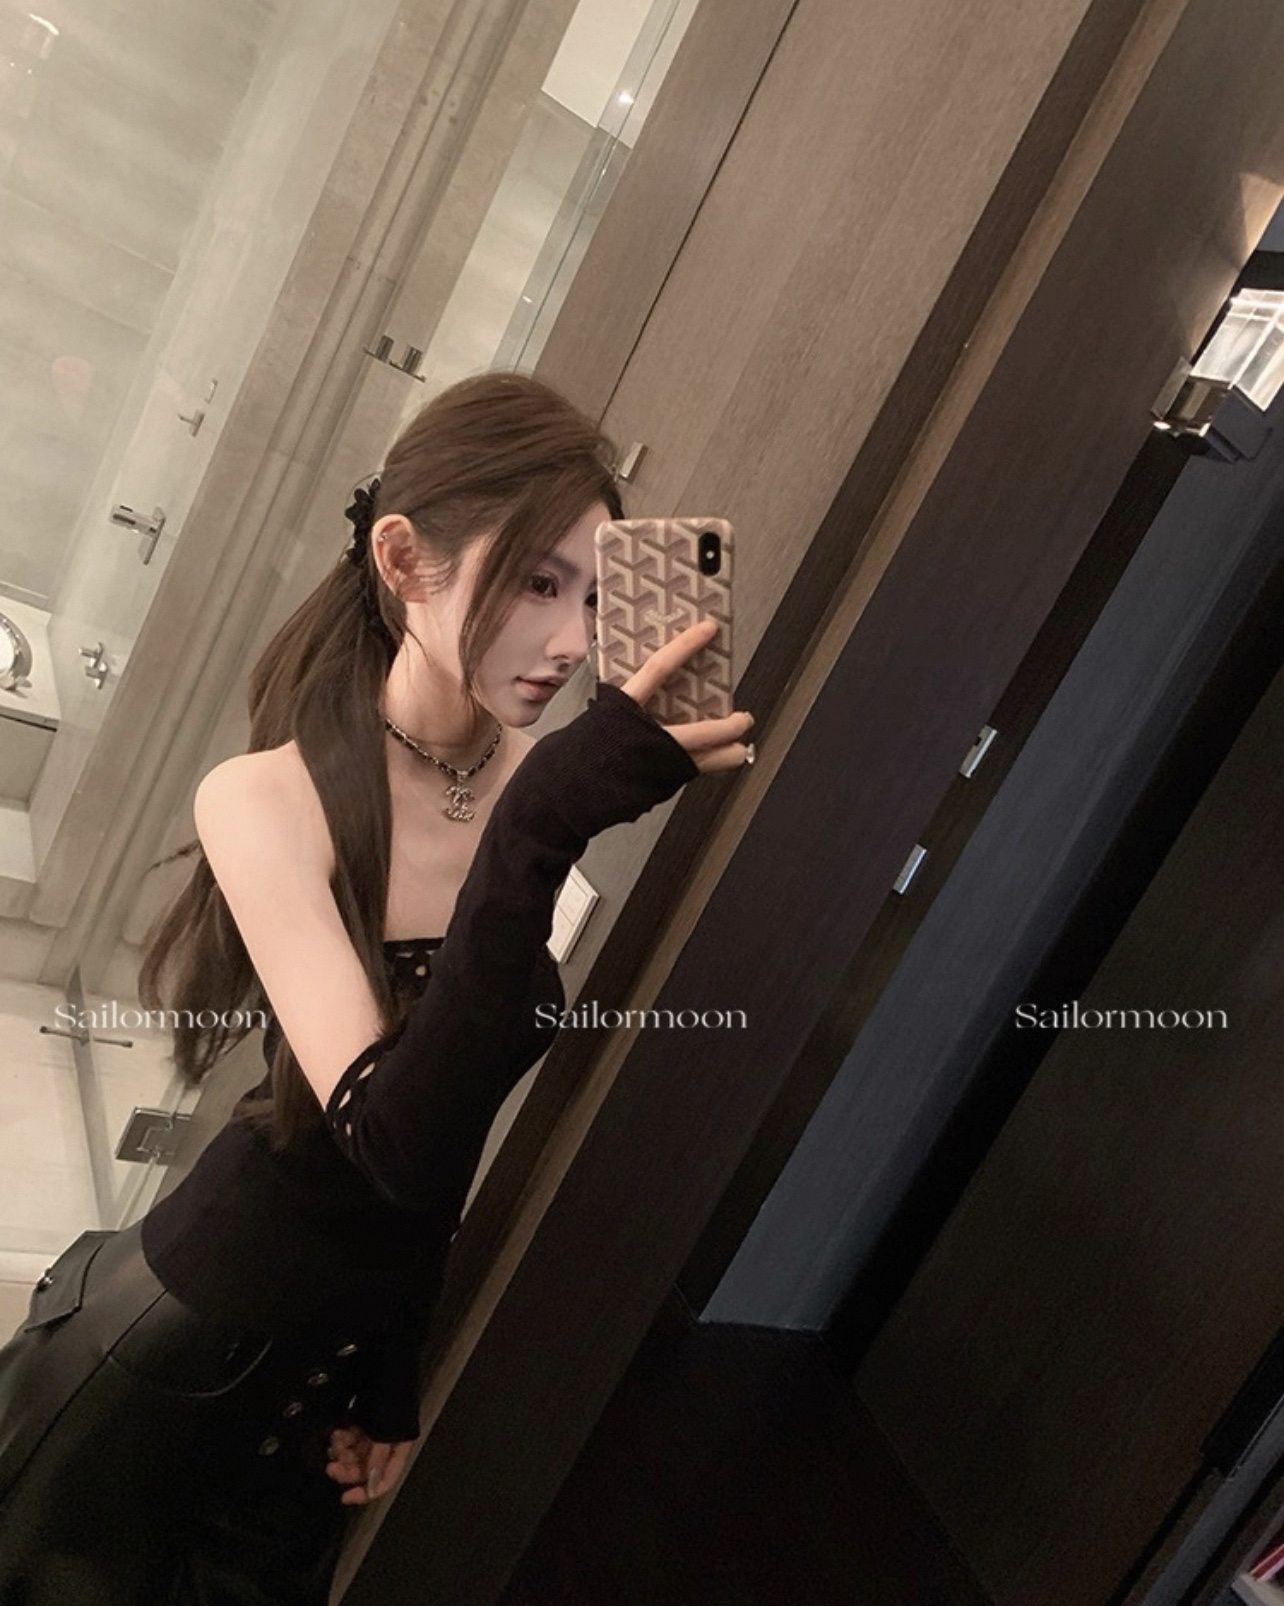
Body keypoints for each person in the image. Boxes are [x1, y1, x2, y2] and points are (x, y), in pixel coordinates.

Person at [0, 370, 755, 1603]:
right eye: (536, 582)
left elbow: (444, 1155)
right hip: (171, 1354)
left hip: (323, 1394)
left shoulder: (538, 780)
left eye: (593, 596)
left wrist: (389, 1371)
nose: (573, 642)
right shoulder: (266, 797)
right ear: (404, 560)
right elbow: (389, 1137)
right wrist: (540, 822)